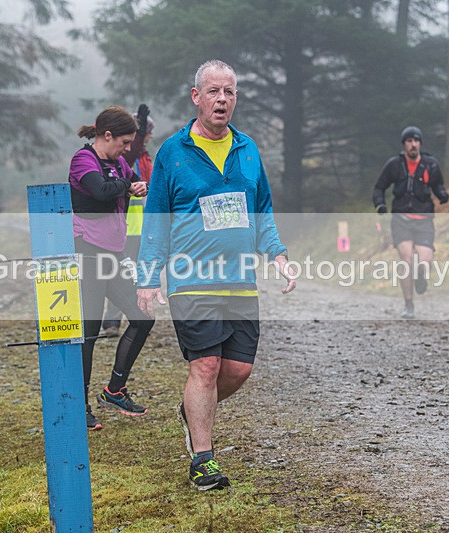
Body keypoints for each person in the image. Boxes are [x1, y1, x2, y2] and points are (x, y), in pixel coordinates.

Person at [136, 60, 296, 491]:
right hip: (192, 278)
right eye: (213, 92)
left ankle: (193, 408)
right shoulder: (174, 152)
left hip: (240, 278)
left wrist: (277, 253)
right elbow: (156, 218)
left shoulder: (247, 148)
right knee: (205, 365)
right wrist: (148, 275)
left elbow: (261, 207)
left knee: (239, 370)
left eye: (229, 92)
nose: (221, 99)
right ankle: (203, 460)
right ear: (196, 97)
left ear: (235, 98)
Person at [69, 105, 155, 431]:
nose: (126, 149)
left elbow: (133, 181)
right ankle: (80, 407)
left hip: (115, 256)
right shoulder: (83, 160)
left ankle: (115, 390)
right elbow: (100, 191)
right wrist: (128, 186)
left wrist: (139, 186)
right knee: (88, 334)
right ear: (107, 136)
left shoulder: (118, 162)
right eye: (124, 142)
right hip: (88, 256)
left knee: (143, 317)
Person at [373, 126, 449, 319]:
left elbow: (438, 185)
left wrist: (442, 195)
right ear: (404, 144)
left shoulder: (430, 164)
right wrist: (380, 205)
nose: (413, 144)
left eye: (416, 141)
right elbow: (379, 187)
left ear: (420, 144)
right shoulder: (394, 165)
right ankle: (409, 304)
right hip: (401, 220)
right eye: (409, 141)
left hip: (424, 220)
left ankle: (421, 276)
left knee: (424, 261)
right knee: (406, 259)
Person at [100, 104, 155, 338]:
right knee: (124, 274)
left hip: (143, 225)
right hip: (127, 227)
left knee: (135, 273)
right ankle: (113, 322)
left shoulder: (143, 159)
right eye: (145, 135)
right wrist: (141, 128)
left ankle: (131, 318)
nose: (146, 139)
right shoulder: (125, 157)